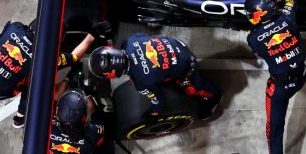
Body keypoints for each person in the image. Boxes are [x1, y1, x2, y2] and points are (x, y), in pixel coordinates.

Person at [244, 0, 306, 154]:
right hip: (302, 75)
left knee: (274, 130)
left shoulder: (254, 39)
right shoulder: (288, 16)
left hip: (281, 89)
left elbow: (261, 48)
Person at [0, 20, 102, 128]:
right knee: (34, 82)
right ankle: (20, 119)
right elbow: (74, 57)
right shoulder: (46, 59)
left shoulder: (14, 26)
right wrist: (93, 34)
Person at [89, 33, 222, 120]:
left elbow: (158, 101)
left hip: (187, 63)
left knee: (191, 89)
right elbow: (145, 36)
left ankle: (215, 97)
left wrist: (153, 113)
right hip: (176, 43)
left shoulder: (141, 82)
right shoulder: (129, 41)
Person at [47, 89, 111, 154]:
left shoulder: (44, 128)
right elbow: (95, 113)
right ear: (84, 117)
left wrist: (66, 81)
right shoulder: (94, 130)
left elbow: (53, 101)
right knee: (101, 146)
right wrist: (88, 95)